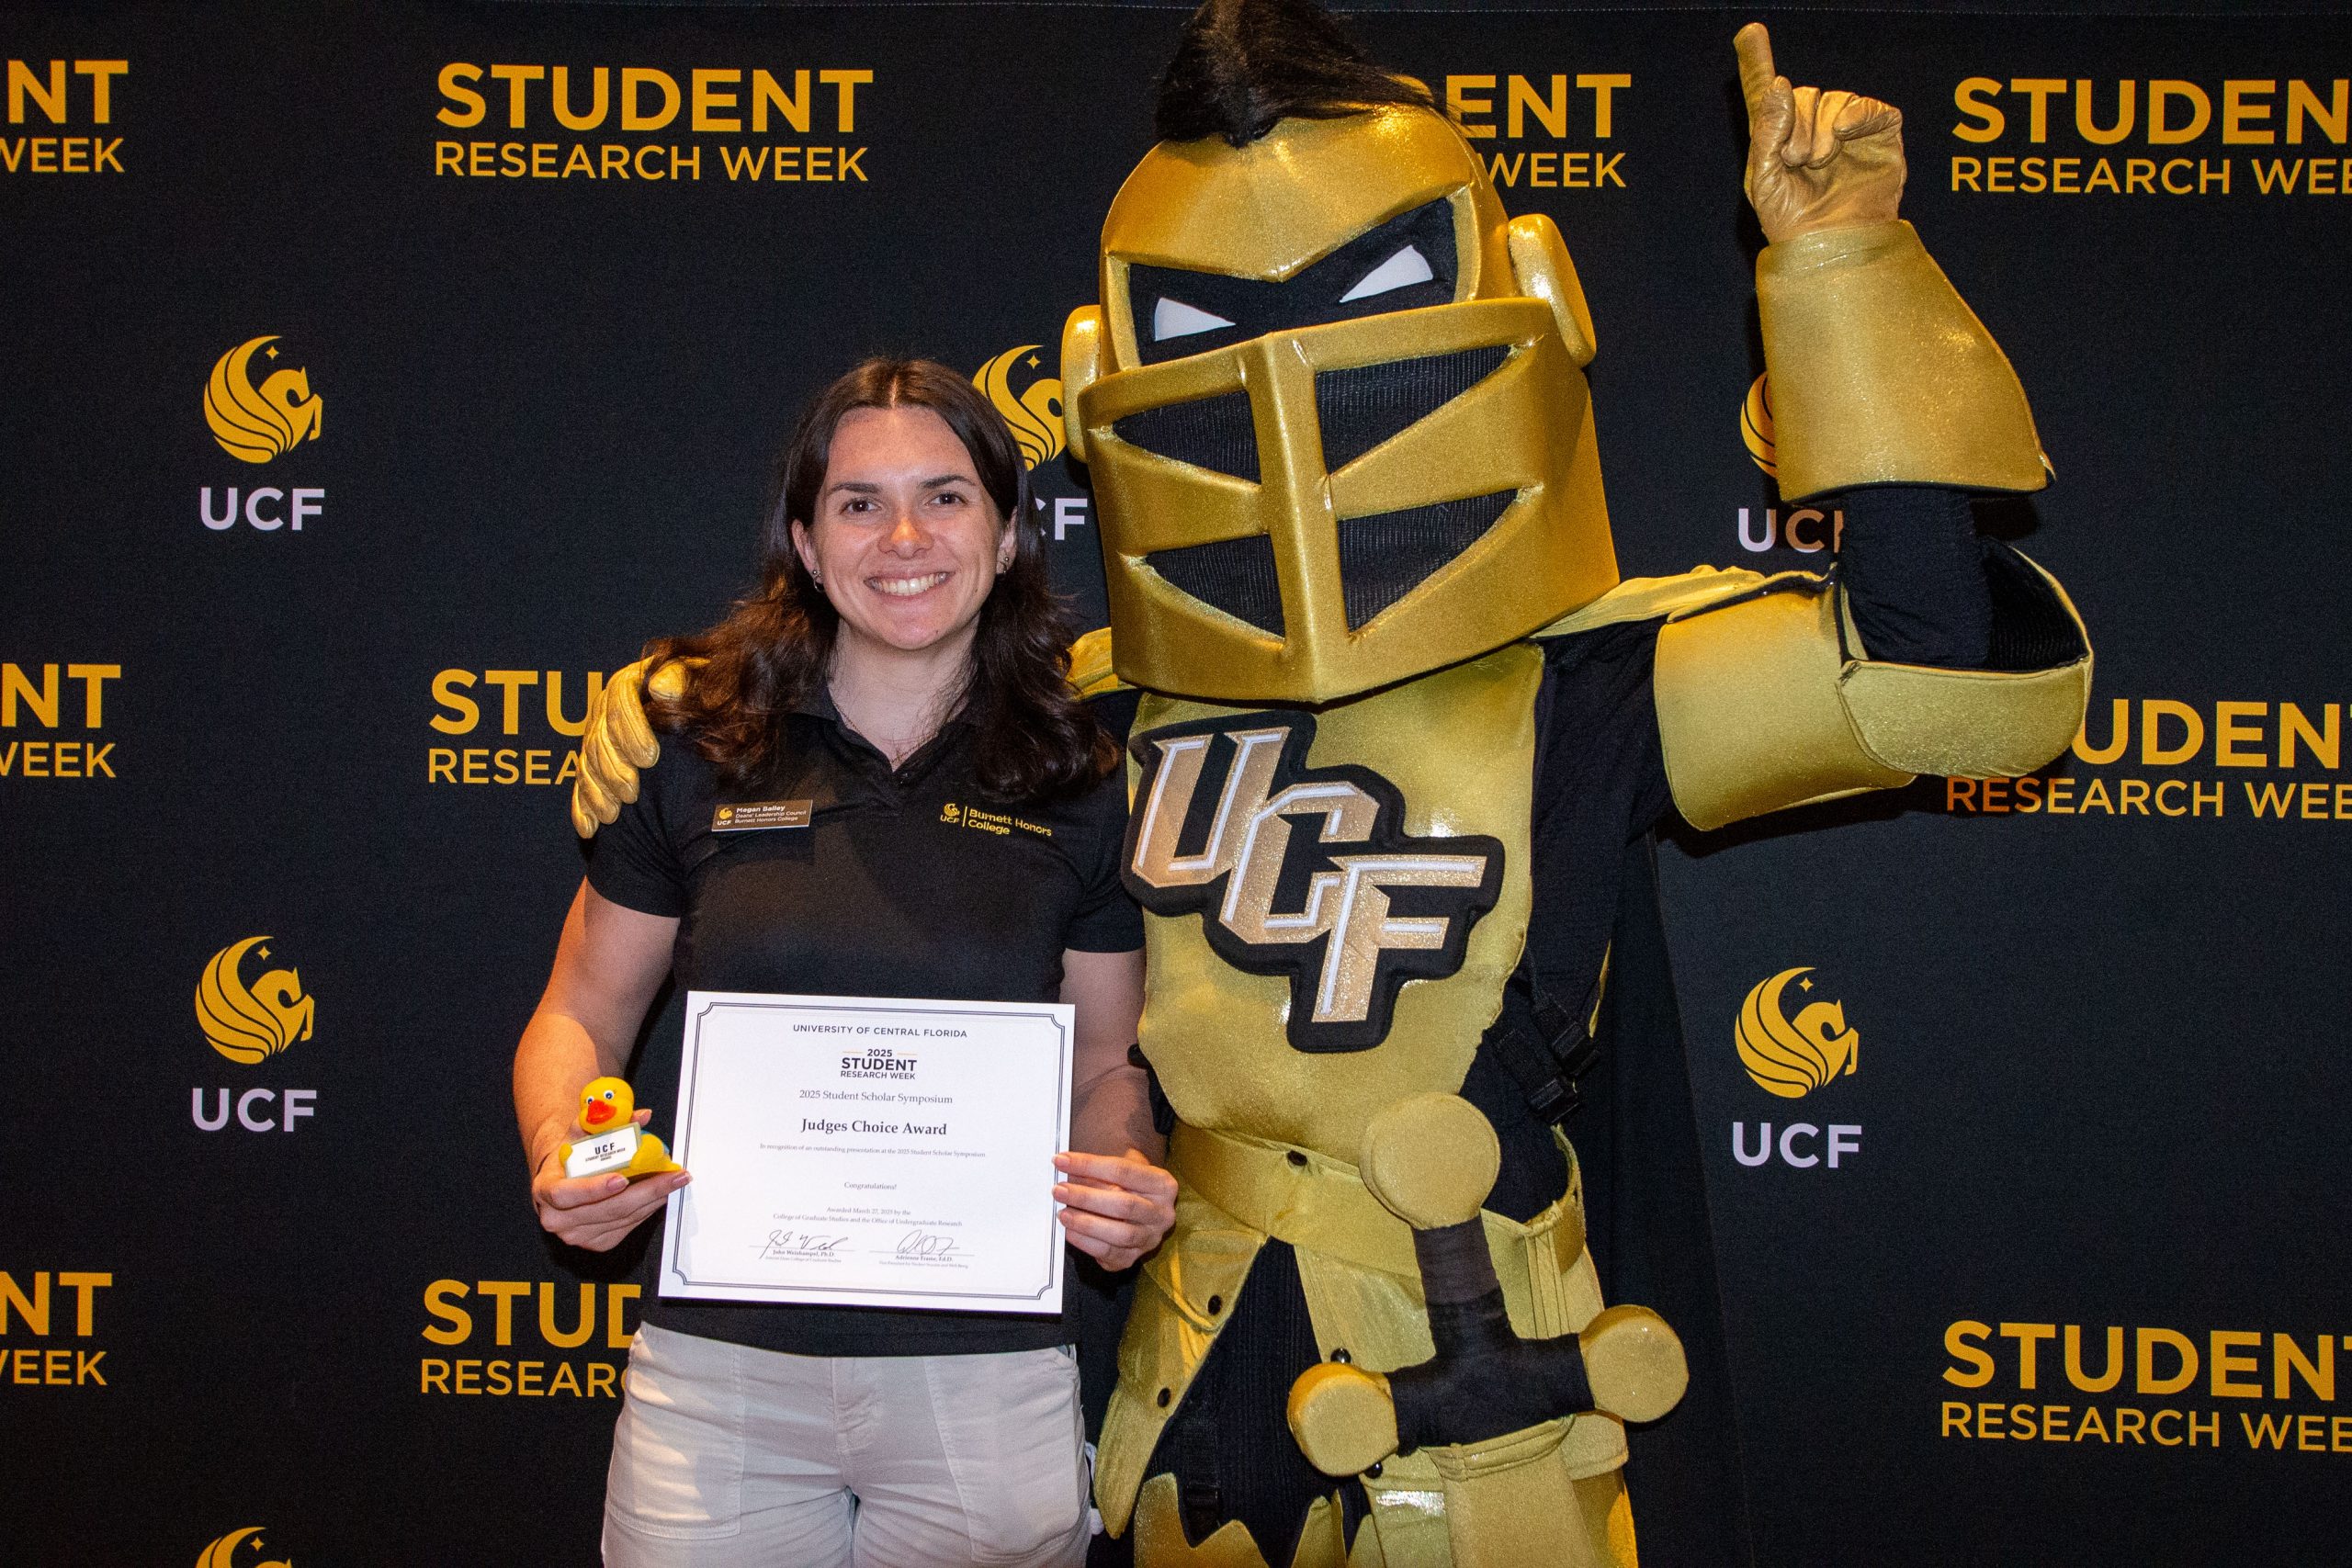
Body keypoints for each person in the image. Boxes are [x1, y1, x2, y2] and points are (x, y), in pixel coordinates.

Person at [512, 357, 1176, 1568]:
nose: (904, 539)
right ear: (808, 546)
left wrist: (1125, 1171)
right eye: (860, 504)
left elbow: (1104, 1065)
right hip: (720, 1375)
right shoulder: (694, 745)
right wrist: (566, 1149)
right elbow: (579, 1014)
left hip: (985, 1375)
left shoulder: (1081, 773)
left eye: (946, 497)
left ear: (1008, 533)